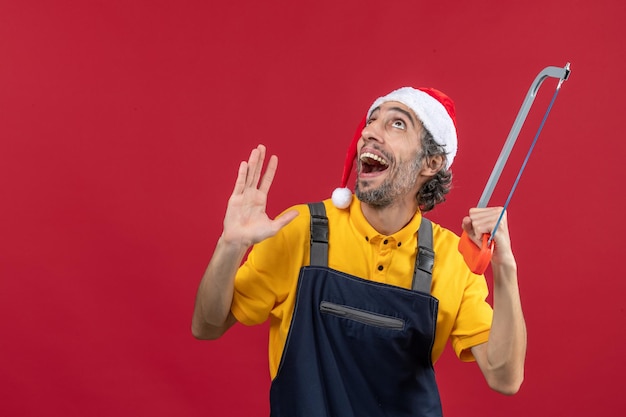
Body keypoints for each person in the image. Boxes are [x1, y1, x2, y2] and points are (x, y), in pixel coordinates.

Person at [192, 87, 526, 417]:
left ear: (432, 162)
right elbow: (207, 326)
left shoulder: (452, 260)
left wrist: (505, 268)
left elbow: (504, 378)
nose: (368, 132)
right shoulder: (299, 230)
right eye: (372, 121)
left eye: (397, 124)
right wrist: (230, 244)